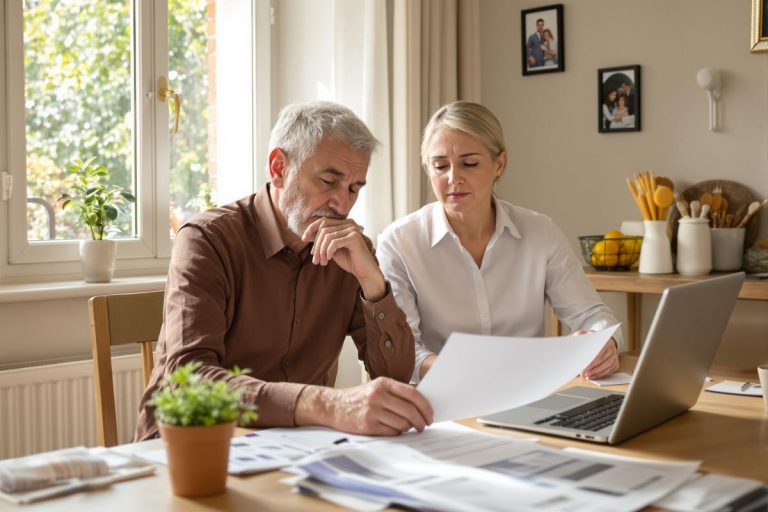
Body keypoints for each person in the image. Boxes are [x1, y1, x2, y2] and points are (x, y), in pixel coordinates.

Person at [135, 101, 433, 441]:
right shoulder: (207, 241)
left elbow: (395, 374)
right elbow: (188, 379)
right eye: (328, 181)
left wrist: (373, 285)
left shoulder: (350, 251)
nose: (342, 204)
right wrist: (324, 404)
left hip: (298, 451)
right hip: (195, 450)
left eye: (353, 188)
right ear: (278, 168)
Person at [377, 101, 623, 384]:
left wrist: (603, 343)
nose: (453, 178)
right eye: (440, 166)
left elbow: (592, 314)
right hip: (445, 398)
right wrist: (478, 375)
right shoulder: (398, 242)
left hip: (531, 392)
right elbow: (407, 356)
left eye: (470, 164)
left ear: (499, 164)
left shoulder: (540, 232)